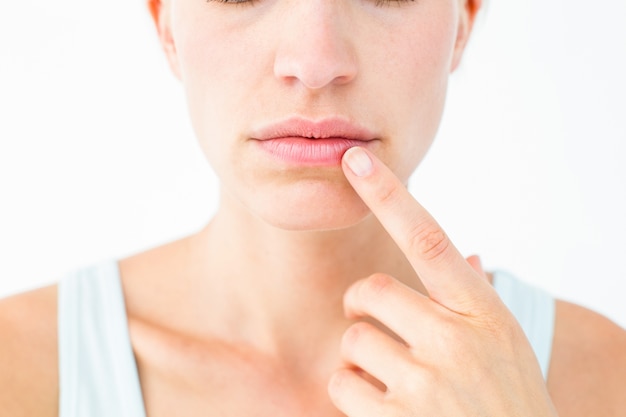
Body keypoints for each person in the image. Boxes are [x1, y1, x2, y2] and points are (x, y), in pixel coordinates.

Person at [1, 0, 625, 416]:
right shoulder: (18, 368)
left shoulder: (603, 379)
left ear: (463, 22)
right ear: (166, 25)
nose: (316, 62)